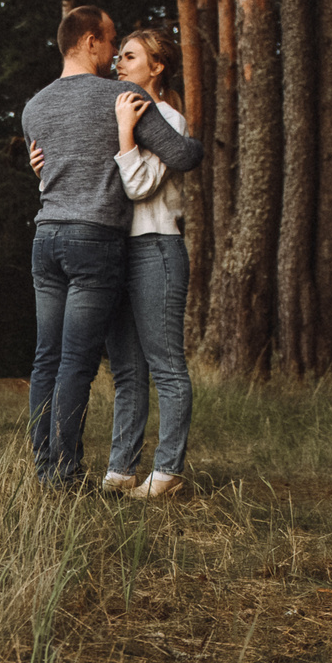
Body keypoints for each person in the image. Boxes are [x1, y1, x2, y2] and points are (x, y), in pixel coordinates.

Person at [20, 5, 201, 490]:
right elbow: (185, 153)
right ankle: (65, 473)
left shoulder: (33, 106)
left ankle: (44, 468)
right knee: (78, 360)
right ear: (91, 42)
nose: (115, 56)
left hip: (45, 237)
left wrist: (44, 172)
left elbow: (58, 165)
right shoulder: (121, 95)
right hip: (94, 239)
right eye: (111, 42)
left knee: (46, 358)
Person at [102, 28, 196, 498]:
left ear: (156, 67)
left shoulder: (169, 119)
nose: (119, 63)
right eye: (117, 56)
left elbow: (139, 187)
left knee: (165, 367)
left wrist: (124, 134)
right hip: (121, 250)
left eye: (131, 56)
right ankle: (121, 472)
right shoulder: (127, 113)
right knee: (127, 371)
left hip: (157, 248)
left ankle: (167, 473)